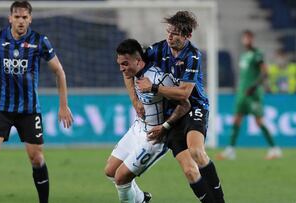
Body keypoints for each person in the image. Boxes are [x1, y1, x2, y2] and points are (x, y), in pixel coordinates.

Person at [0, 1, 73, 203]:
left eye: (25, 17)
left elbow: (59, 72)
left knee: (36, 158)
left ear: (30, 19)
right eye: (17, 17)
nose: (21, 20)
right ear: (10, 18)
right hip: (0, 108)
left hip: (29, 110)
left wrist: (63, 105)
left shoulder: (40, 41)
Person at [132, 11, 225, 203]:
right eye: (169, 31)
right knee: (190, 171)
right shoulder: (158, 49)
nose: (170, 36)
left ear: (187, 36)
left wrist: (154, 87)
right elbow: (131, 67)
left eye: (175, 33)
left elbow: (184, 94)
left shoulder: (192, 56)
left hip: (195, 108)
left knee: (197, 152)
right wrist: (136, 100)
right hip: (170, 115)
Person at [104, 39, 191, 203]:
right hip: (138, 128)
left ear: (138, 61)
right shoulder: (133, 72)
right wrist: (134, 100)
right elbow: (127, 76)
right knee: (110, 171)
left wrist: (165, 127)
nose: (121, 68)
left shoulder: (158, 78)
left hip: (154, 137)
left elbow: (185, 104)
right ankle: (141, 199)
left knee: (121, 178)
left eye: (124, 64)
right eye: (119, 63)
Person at [216, 30, 282, 160]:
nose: (246, 40)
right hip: (242, 93)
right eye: (245, 38)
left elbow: (265, 73)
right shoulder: (243, 56)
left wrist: (253, 87)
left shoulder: (257, 54)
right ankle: (230, 150)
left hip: (253, 93)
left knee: (258, 121)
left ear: (252, 39)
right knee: (236, 119)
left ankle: (275, 149)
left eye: (249, 38)